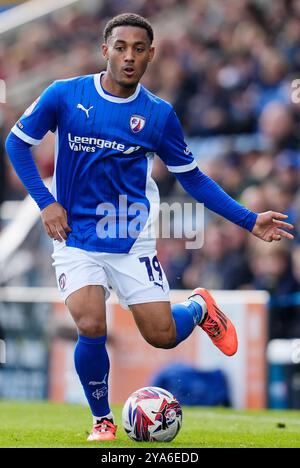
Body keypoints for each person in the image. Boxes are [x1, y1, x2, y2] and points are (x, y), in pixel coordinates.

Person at [5, 13, 294, 442]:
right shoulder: (65, 95)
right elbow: (17, 144)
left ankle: (197, 309)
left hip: (130, 235)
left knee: (160, 336)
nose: (128, 57)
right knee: (89, 323)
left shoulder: (158, 116)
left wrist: (249, 220)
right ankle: (102, 420)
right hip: (75, 234)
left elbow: (193, 178)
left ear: (151, 55)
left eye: (139, 49)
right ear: (105, 50)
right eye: (120, 47)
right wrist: (46, 203)